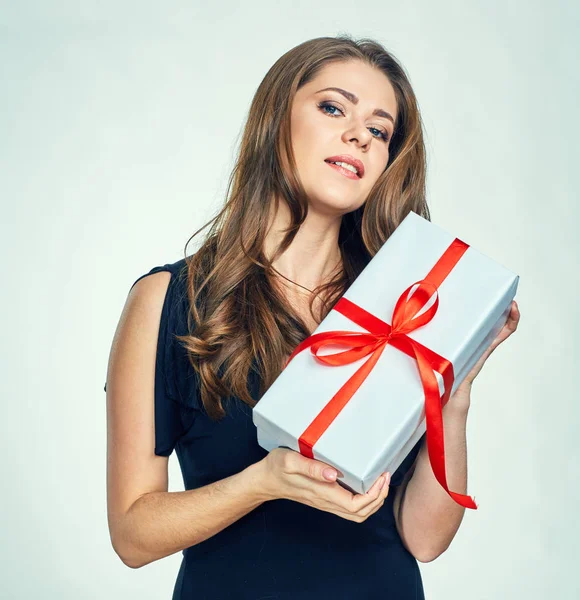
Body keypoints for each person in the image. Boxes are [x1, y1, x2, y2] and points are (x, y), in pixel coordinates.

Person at [104, 35, 519, 599]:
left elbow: (423, 540)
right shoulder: (167, 300)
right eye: (333, 107)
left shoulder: (403, 307)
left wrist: (455, 392)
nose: (358, 136)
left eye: (379, 130)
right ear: (277, 119)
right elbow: (132, 534)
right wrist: (263, 483)